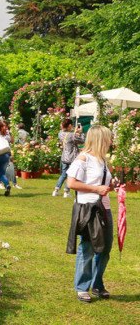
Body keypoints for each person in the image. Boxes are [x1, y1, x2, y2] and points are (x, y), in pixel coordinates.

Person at [66, 125, 116, 303]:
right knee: (87, 248)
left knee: (105, 248)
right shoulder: (83, 159)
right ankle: (82, 287)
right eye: (109, 138)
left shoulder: (102, 160)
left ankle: (97, 284)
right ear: (100, 140)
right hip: (88, 210)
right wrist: (96, 188)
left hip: (103, 209)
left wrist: (112, 186)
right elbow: (71, 183)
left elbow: (102, 185)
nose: (111, 141)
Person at [55, 119, 86, 198]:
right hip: (72, 157)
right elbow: (82, 140)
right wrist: (81, 132)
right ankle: (66, 191)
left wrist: (75, 133)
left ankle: (56, 190)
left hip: (64, 156)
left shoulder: (60, 133)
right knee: (70, 174)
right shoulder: (71, 135)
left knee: (63, 174)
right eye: (72, 125)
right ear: (69, 125)